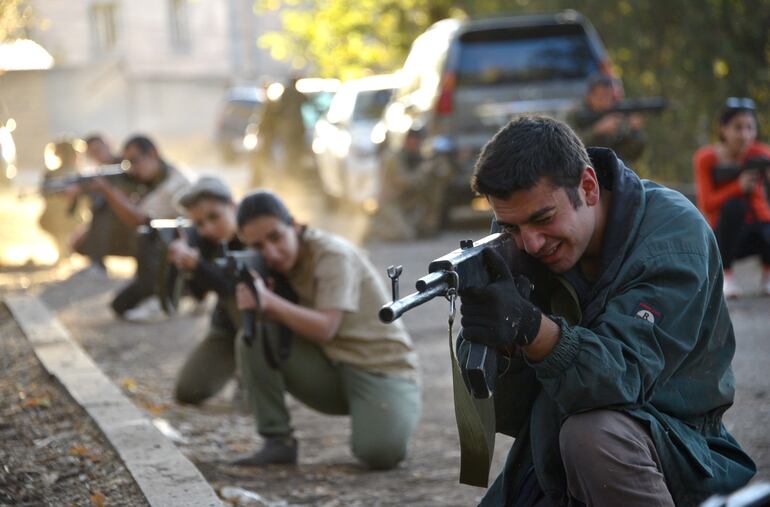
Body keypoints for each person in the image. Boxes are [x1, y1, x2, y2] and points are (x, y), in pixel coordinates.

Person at [457, 116, 754, 506]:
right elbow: (510, 412)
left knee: (593, 435)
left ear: (588, 187)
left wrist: (530, 327)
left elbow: (621, 380)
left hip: (680, 451)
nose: (530, 243)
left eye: (543, 219)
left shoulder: (674, 237)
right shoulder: (523, 248)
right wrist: (494, 340)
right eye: (512, 228)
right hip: (552, 450)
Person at [230, 190, 421, 470]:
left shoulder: (331, 254)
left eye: (276, 237)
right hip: (331, 367)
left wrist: (268, 301)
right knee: (254, 336)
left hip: (381, 369)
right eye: (257, 246)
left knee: (379, 454)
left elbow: (325, 328)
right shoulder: (270, 266)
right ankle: (277, 441)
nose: (270, 252)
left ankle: (383, 414)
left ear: (293, 225)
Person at [71, 135, 190, 317]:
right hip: (159, 255)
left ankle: (165, 297)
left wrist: (108, 191)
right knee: (120, 305)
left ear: (152, 154)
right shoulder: (149, 180)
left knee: (146, 232)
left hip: (178, 258)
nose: (132, 169)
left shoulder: (173, 183)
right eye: (127, 163)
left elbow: (138, 218)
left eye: (134, 161)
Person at [167, 177, 244, 404]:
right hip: (228, 329)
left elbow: (235, 289)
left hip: (266, 328)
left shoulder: (254, 233)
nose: (207, 227)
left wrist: (199, 266)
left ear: (232, 206)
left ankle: (257, 379)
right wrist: (185, 266)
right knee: (188, 391)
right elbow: (199, 294)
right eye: (199, 223)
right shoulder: (203, 240)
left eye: (214, 217)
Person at [693, 97, 770, 298]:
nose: (744, 134)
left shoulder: (761, 153)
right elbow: (707, 204)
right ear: (723, 129)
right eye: (737, 127)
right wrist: (738, 186)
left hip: (756, 228)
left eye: (749, 128)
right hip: (723, 234)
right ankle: (726, 277)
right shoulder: (706, 158)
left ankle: (767, 276)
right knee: (734, 206)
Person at [568, 74, 646, 163]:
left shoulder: (617, 113)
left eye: (608, 97)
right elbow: (569, 147)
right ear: (589, 96)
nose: (605, 101)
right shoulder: (576, 114)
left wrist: (632, 130)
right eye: (600, 97)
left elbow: (633, 153)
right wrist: (596, 130)